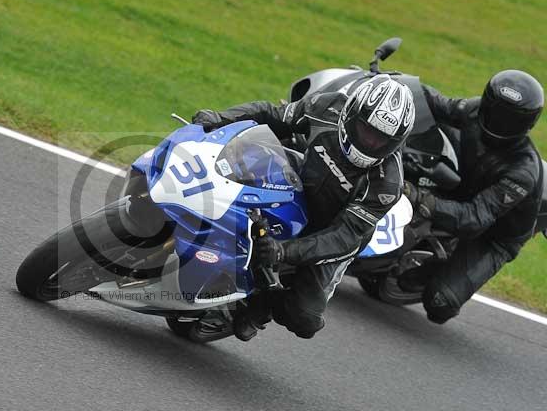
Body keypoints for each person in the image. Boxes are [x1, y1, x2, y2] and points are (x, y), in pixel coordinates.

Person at [193, 74, 415, 340]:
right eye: (367, 131)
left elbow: (343, 237)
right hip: (296, 187)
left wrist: (283, 251)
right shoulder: (327, 107)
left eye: (381, 140)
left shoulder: (387, 184)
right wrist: (221, 118)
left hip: (333, 230)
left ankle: (259, 307)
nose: (371, 143)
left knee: (305, 319)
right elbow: (272, 115)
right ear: (352, 113)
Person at [404, 70, 544, 324]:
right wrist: (397, 85)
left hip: (493, 235)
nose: (495, 123)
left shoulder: (522, 171)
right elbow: (438, 103)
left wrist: (420, 198)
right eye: (492, 113)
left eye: (507, 121)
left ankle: (436, 268)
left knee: (439, 304)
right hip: (465, 188)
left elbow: (474, 219)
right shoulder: (473, 111)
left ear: (525, 126)